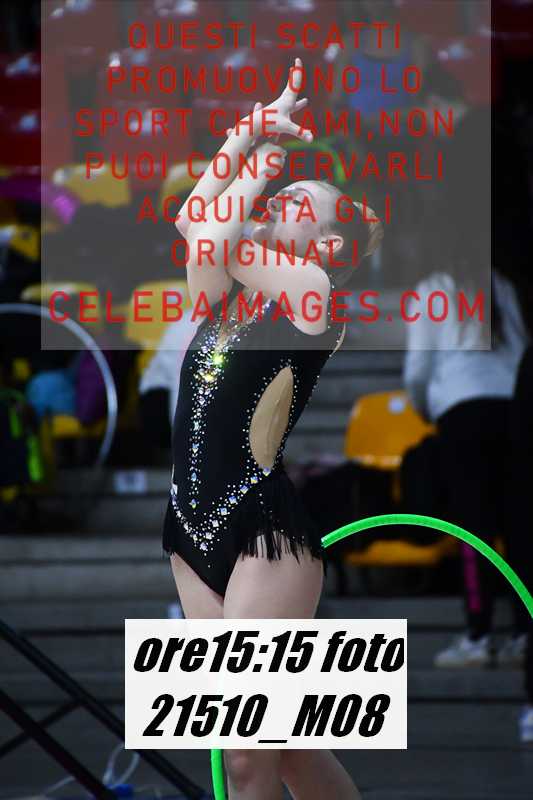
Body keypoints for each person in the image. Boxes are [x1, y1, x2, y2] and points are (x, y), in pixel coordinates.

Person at [163, 59, 383, 799]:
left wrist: (259, 162)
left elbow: (210, 234)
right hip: (188, 530)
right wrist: (250, 130)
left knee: (245, 756)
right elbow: (194, 223)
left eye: (296, 201)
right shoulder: (226, 293)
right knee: (285, 750)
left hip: (262, 534)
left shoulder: (314, 296)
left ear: (325, 246)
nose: (280, 199)